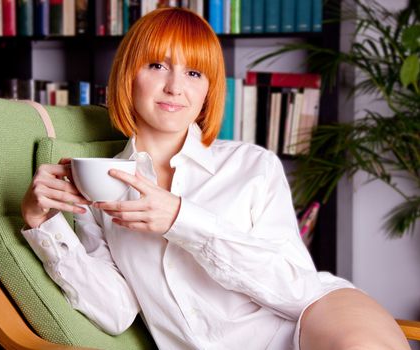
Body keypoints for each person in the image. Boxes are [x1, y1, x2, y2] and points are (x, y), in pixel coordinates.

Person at [21, 7, 410, 350]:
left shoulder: (252, 166)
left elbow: (295, 291)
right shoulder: (101, 184)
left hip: (309, 322)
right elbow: (115, 312)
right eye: (157, 65)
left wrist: (182, 220)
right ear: (128, 74)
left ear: (208, 89)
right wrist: (45, 224)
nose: (175, 86)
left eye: (193, 72)